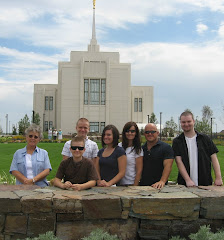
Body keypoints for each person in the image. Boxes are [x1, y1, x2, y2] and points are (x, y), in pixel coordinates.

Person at [172, 111, 223, 187]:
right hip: (185, 184)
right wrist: (188, 180)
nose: (186, 124)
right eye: (183, 122)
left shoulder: (205, 139)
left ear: (193, 121)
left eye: (189, 121)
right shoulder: (177, 141)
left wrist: (218, 178)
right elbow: (179, 162)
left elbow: (214, 158)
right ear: (180, 123)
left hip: (205, 182)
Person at [140, 123, 174, 189]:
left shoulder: (166, 148)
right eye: (147, 132)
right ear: (144, 134)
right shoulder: (141, 149)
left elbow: (168, 166)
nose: (150, 134)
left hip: (159, 187)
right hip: (143, 186)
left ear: (157, 133)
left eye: (153, 132)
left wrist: (162, 181)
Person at [119, 121, 143, 186]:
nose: (130, 133)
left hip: (131, 183)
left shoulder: (138, 149)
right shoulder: (119, 146)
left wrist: (135, 186)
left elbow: (139, 170)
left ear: (136, 133)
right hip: (118, 183)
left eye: (132, 131)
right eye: (127, 131)